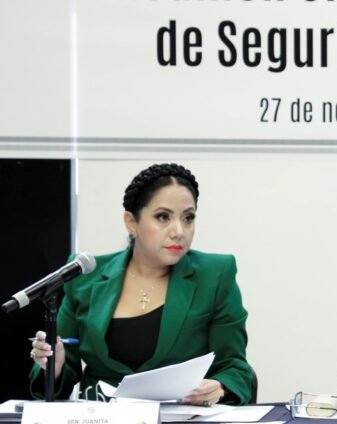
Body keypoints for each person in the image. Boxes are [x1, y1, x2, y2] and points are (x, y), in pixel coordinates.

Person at [28, 164, 255, 405]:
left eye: (188, 218)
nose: (179, 231)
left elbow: (235, 368)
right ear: (131, 222)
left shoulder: (214, 274)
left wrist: (220, 386)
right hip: (101, 420)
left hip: (181, 420)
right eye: (163, 217)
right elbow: (63, 371)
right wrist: (54, 367)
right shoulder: (86, 277)